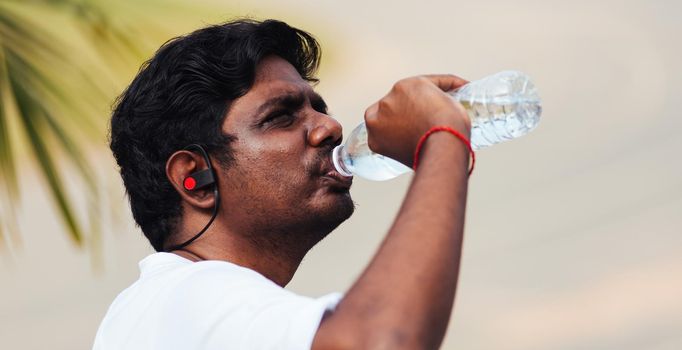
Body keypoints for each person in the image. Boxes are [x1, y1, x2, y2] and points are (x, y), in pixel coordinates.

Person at [95, 19, 472, 350]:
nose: (331, 127)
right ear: (196, 180)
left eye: (319, 108)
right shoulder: (185, 298)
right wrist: (442, 138)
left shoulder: (174, 309)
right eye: (280, 117)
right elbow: (384, 341)